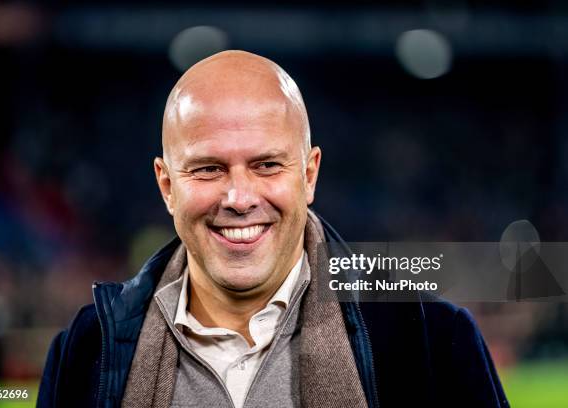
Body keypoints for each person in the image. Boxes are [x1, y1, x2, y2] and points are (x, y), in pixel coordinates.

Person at [37, 50, 508, 408]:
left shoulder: (431, 339)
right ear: (166, 186)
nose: (239, 199)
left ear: (309, 175)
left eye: (266, 165)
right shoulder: (87, 351)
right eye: (207, 169)